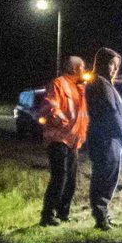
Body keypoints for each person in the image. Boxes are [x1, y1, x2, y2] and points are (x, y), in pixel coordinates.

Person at [39, 56, 89, 226]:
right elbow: (51, 106)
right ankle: (48, 215)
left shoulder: (80, 88)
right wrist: (63, 121)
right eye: (82, 67)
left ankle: (63, 213)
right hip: (58, 138)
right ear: (75, 68)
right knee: (60, 177)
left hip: (73, 140)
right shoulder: (59, 83)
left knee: (71, 179)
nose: (84, 70)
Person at [84, 47, 122, 230]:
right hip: (106, 138)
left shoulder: (106, 83)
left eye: (116, 65)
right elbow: (112, 113)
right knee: (103, 177)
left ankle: (103, 214)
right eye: (111, 64)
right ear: (103, 63)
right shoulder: (100, 83)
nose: (114, 68)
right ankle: (100, 217)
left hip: (112, 139)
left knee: (109, 177)